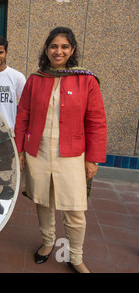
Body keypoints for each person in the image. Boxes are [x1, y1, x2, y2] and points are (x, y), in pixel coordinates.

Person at [14, 27, 107, 273]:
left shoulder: (86, 80)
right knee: (43, 202)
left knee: (75, 209)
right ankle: (47, 243)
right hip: (39, 152)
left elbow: (96, 120)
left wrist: (93, 159)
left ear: (72, 50)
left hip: (73, 155)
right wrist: (20, 149)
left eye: (64, 47)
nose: (59, 51)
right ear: (47, 49)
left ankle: (75, 256)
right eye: (54, 46)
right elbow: (23, 115)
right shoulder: (36, 79)